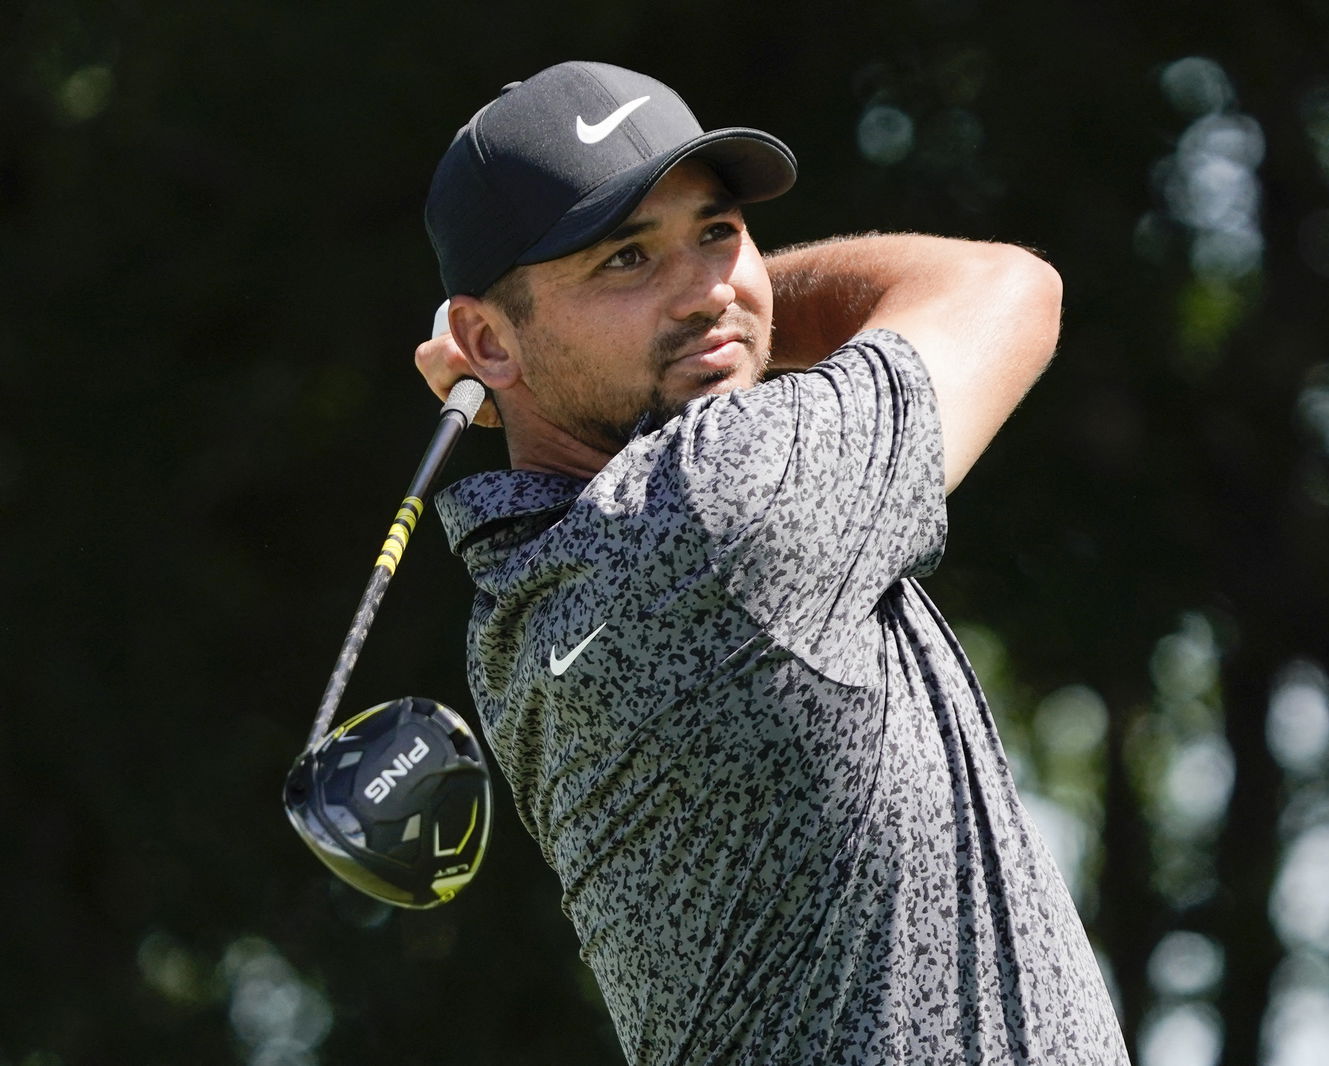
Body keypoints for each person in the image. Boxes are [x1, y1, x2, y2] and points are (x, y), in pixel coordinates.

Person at [415, 60, 1130, 1065]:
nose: (706, 290)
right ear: (486, 339)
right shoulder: (719, 505)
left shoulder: (516, 607)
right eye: (625, 258)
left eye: (718, 233)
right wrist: (740, 322)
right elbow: (1007, 289)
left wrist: (548, 356)